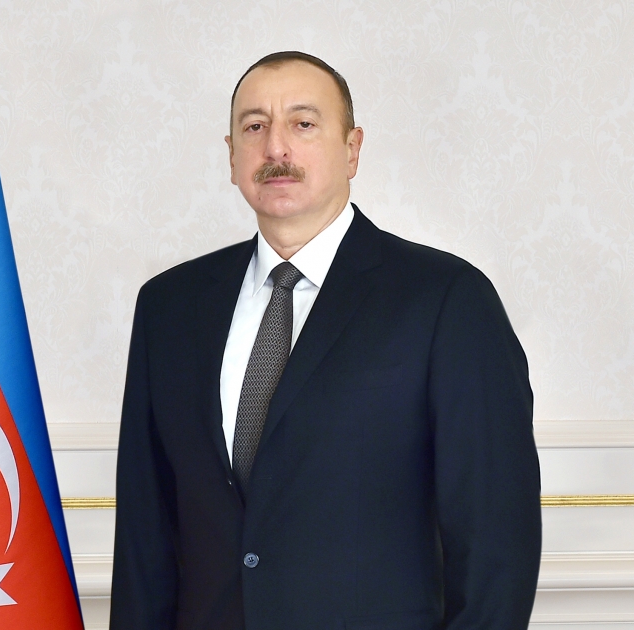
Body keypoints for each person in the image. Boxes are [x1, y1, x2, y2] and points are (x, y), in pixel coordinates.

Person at [109, 51, 541, 630]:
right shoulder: (168, 307)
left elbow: (496, 548)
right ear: (232, 156)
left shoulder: (447, 300)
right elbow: (144, 540)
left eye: (303, 123)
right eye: (255, 127)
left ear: (352, 149)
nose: (276, 147)